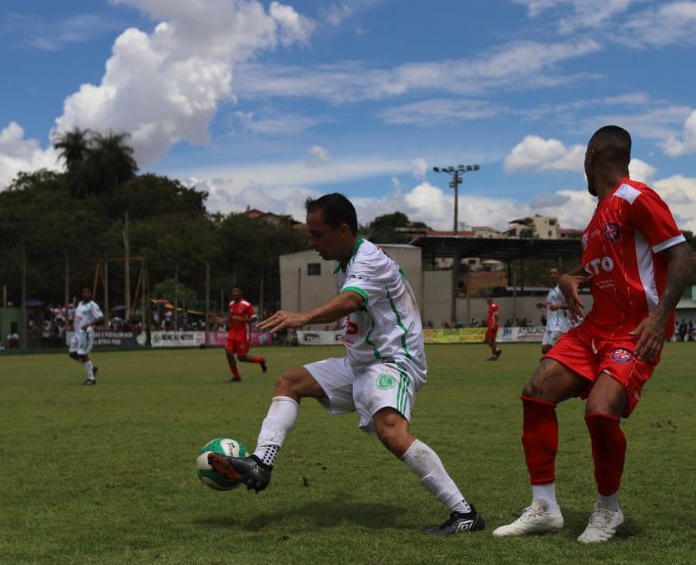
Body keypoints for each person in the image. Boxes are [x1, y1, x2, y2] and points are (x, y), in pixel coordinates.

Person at [207, 194, 484, 535]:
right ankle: (261, 463)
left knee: (391, 431)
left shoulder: (368, 259)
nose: (311, 242)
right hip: (360, 362)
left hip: (392, 361)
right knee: (289, 383)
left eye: (317, 234)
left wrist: (303, 316)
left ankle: (464, 513)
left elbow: (352, 300)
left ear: (342, 230)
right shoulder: (343, 262)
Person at [492, 125, 692, 544]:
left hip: (635, 331)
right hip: (595, 329)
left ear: (592, 156)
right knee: (536, 390)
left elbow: (681, 254)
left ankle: (608, 510)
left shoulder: (636, 197)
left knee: (600, 411)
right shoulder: (597, 219)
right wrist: (572, 276)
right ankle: (544, 507)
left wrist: (659, 320)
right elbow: (606, 265)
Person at [223, 286, 267, 382]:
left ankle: (261, 360)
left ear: (241, 293)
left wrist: (243, 320)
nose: (234, 293)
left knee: (241, 357)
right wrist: (223, 320)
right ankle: (236, 376)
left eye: (237, 291)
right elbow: (231, 317)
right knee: (228, 352)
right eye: (233, 291)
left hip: (243, 333)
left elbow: (254, 318)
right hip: (232, 333)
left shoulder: (246, 304)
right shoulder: (230, 304)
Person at [69, 285, 104, 384]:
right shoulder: (80, 303)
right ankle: (91, 367)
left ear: (91, 294)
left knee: (82, 353)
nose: (85, 294)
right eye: (84, 292)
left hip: (86, 333)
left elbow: (101, 318)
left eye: (87, 292)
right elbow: (78, 317)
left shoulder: (93, 305)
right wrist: (72, 326)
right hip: (76, 332)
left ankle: (91, 379)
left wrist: (89, 324)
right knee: (72, 353)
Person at [536, 267, 574, 354]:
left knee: (551, 351)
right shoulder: (550, 291)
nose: (552, 275)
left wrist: (558, 307)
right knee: (544, 350)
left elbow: (571, 305)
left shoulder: (562, 289)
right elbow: (551, 306)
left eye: (555, 273)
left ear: (559, 276)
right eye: (550, 273)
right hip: (549, 326)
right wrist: (543, 305)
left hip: (559, 326)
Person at [484, 295, 501, 360]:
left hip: (493, 326)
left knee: (490, 341)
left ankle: (495, 354)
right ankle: (497, 351)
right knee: (487, 341)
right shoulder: (490, 307)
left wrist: (494, 324)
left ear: (491, 299)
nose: (487, 301)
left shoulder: (494, 306)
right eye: (486, 300)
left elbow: (497, 316)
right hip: (490, 326)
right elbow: (492, 316)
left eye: (488, 299)